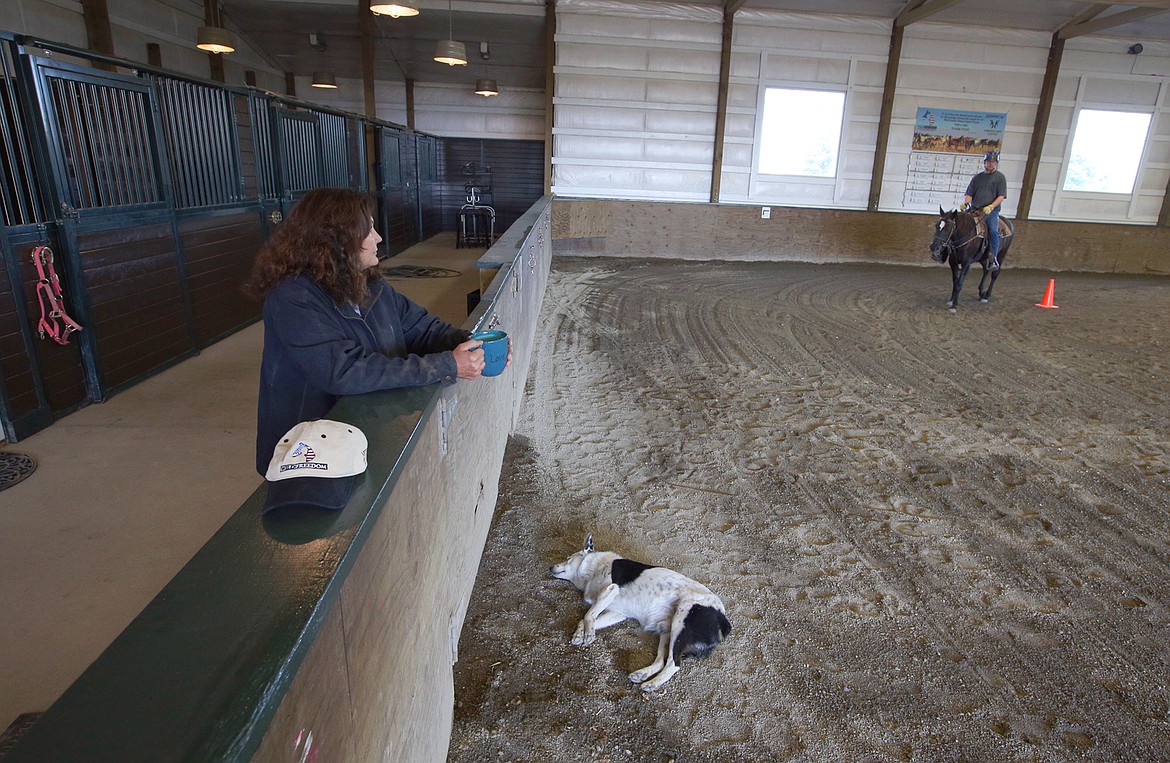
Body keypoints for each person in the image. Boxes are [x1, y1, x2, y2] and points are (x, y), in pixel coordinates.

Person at [246, 187, 501, 476]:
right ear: (336, 240)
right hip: (308, 452)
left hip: (363, 434)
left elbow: (422, 328)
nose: (378, 237)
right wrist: (446, 365)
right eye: (367, 230)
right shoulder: (293, 298)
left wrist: (472, 344)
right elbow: (343, 370)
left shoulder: (369, 284)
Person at [962, 150, 1007, 270]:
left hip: (991, 211)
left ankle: (993, 258)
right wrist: (966, 203)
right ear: (984, 162)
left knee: (993, 230)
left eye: (992, 161)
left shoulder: (1000, 178)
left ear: (996, 163)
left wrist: (991, 206)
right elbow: (969, 193)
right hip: (975, 209)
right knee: (960, 224)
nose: (990, 164)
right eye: (988, 161)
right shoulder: (977, 178)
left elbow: (1001, 195)